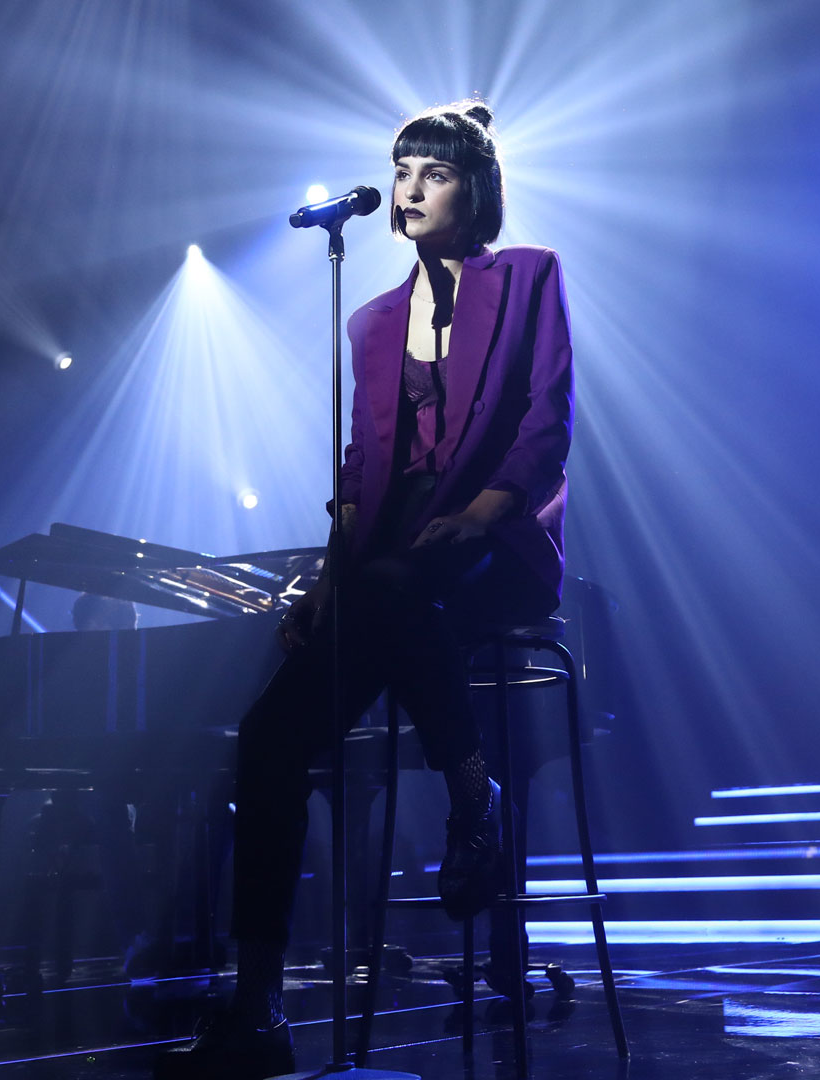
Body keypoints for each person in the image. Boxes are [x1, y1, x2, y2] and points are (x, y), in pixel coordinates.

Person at [156, 100, 573, 1080]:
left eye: (436, 171)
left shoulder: (528, 276)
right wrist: (322, 581)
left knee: (401, 591)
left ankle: (472, 794)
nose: (411, 188)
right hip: (389, 570)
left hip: (495, 544)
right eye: (402, 170)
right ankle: (258, 1006)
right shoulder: (373, 320)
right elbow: (360, 470)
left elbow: (546, 418)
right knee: (269, 737)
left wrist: (479, 516)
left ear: (478, 188)